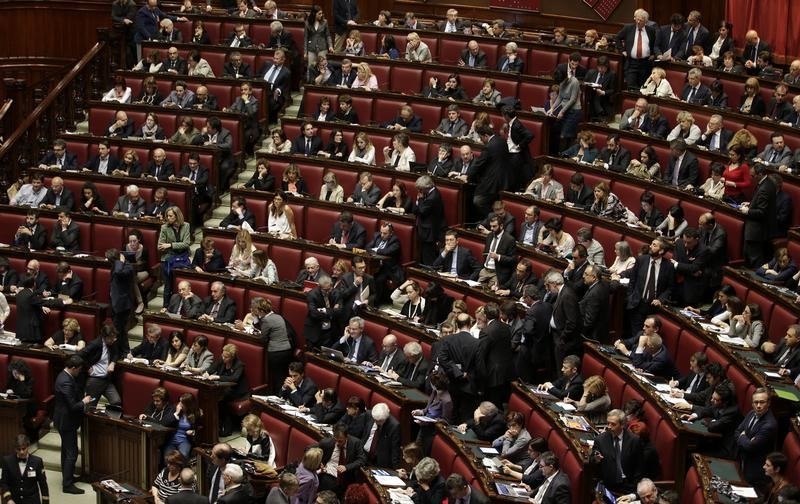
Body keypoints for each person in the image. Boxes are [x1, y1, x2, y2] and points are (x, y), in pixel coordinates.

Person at [54, 355, 91, 494]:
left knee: (66, 450)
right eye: (79, 370)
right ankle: (67, 485)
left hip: (63, 419)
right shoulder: (66, 382)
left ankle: (67, 477)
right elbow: (73, 406)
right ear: (73, 368)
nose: (79, 372)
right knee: (72, 453)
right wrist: (84, 401)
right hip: (66, 421)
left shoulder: (64, 376)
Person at [623, 237, 675, 336]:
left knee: (648, 336)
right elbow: (632, 281)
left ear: (661, 251)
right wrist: (630, 297)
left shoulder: (668, 266)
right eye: (651, 244)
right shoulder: (641, 260)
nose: (650, 246)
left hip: (653, 308)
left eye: (654, 245)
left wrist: (660, 299)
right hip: (637, 304)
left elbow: (670, 287)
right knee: (636, 335)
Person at [734, 388, 778, 490]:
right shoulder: (751, 413)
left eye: (762, 402)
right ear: (752, 403)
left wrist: (743, 436)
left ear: (768, 403)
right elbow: (736, 432)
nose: (758, 406)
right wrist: (746, 439)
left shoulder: (769, 425)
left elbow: (751, 447)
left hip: (754, 471)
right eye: (756, 402)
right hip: (741, 460)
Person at [742, 164, 777, 267]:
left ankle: (755, 279)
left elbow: (762, 212)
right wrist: (751, 203)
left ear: (760, 174)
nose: (751, 178)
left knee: (754, 258)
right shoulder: (768, 182)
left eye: (753, 176)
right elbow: (761, 203)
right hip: (759, 228)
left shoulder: (764, 188)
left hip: (757, 230)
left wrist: (748, 211)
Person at [0, 434, 49, 503]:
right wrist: (9, 499)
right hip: (13, 499)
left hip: (31, 500)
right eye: (18, 449)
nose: (21, 452)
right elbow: (4, 482)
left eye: (23, 449)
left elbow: (43, 484)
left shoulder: (37, 462)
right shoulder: (7, 461)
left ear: (28, 446)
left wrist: (45, 502)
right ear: (15, 449)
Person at [615, 9, 657, 89]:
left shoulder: (651, 30)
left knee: (643, 88)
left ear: (645, 21)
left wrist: (653, 54)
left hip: (645, 63)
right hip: (631, 63)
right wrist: (622, 50)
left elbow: (655, 44)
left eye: (640, 20)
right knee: (631, 87)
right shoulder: (628, 28)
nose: (638, 22)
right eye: (637, 19)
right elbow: (617, 38)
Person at [158, 206, 191, 303]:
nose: (168, 218)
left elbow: (186, 244)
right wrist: (175, 246)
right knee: (168, 286)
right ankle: (165, 307)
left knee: (180, 284)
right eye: (167, 216)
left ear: (177, 216)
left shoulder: (186, 226)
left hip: (182, 259)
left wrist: (169, 245)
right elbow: (159, 246)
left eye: (170, 216)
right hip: (168, 259)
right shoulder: (164, 227)